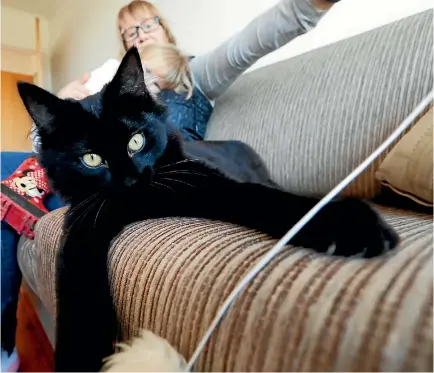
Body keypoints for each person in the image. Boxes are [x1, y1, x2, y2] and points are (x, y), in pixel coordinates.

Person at [1, 0, 338, 369]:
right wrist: (66, 97)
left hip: (167, 167)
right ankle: (4, 344)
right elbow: (51, 142)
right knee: (4, 169)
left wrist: (309, 6)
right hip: (98, 174)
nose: (141, 33)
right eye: (131, 31)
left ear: (166, 30)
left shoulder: (191, 70)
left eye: (148, 23)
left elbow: (249, 43)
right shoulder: (106, 83)